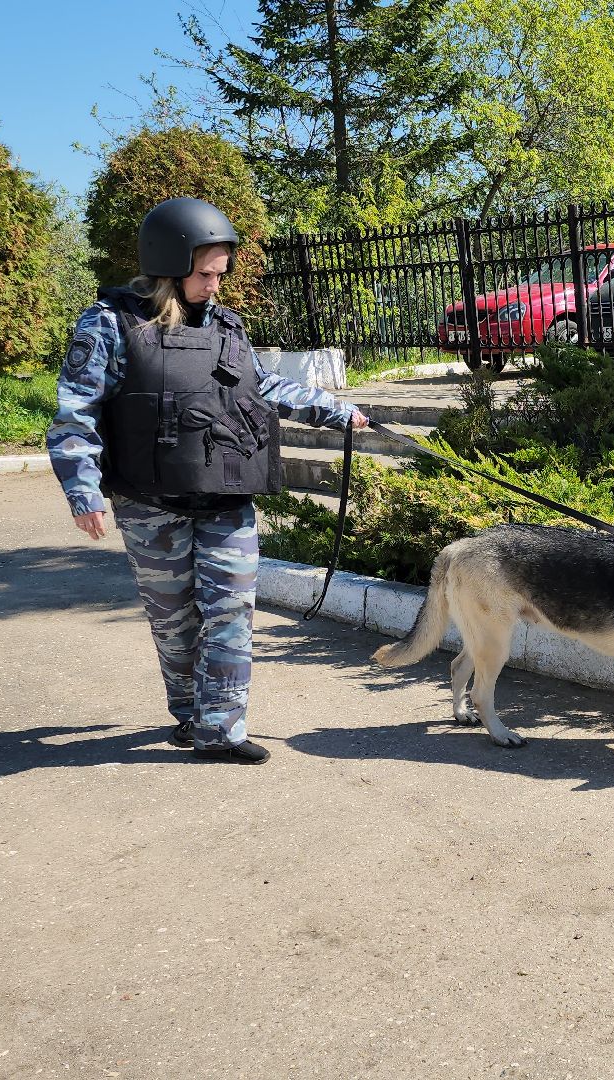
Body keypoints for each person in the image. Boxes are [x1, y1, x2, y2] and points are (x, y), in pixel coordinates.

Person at [47, 197, 369, 764]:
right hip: (150, 502)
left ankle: (222, 729)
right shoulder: (109, 325)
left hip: (224, 493)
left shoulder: (227, 327)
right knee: (174, 622)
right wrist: (83, 488)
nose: (216, 286)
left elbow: (262, 387)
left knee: (230, 612)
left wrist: (336, 410)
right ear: (170, 266)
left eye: (222, 273)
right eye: (205, 274)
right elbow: (77, 412)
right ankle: (190, 715)